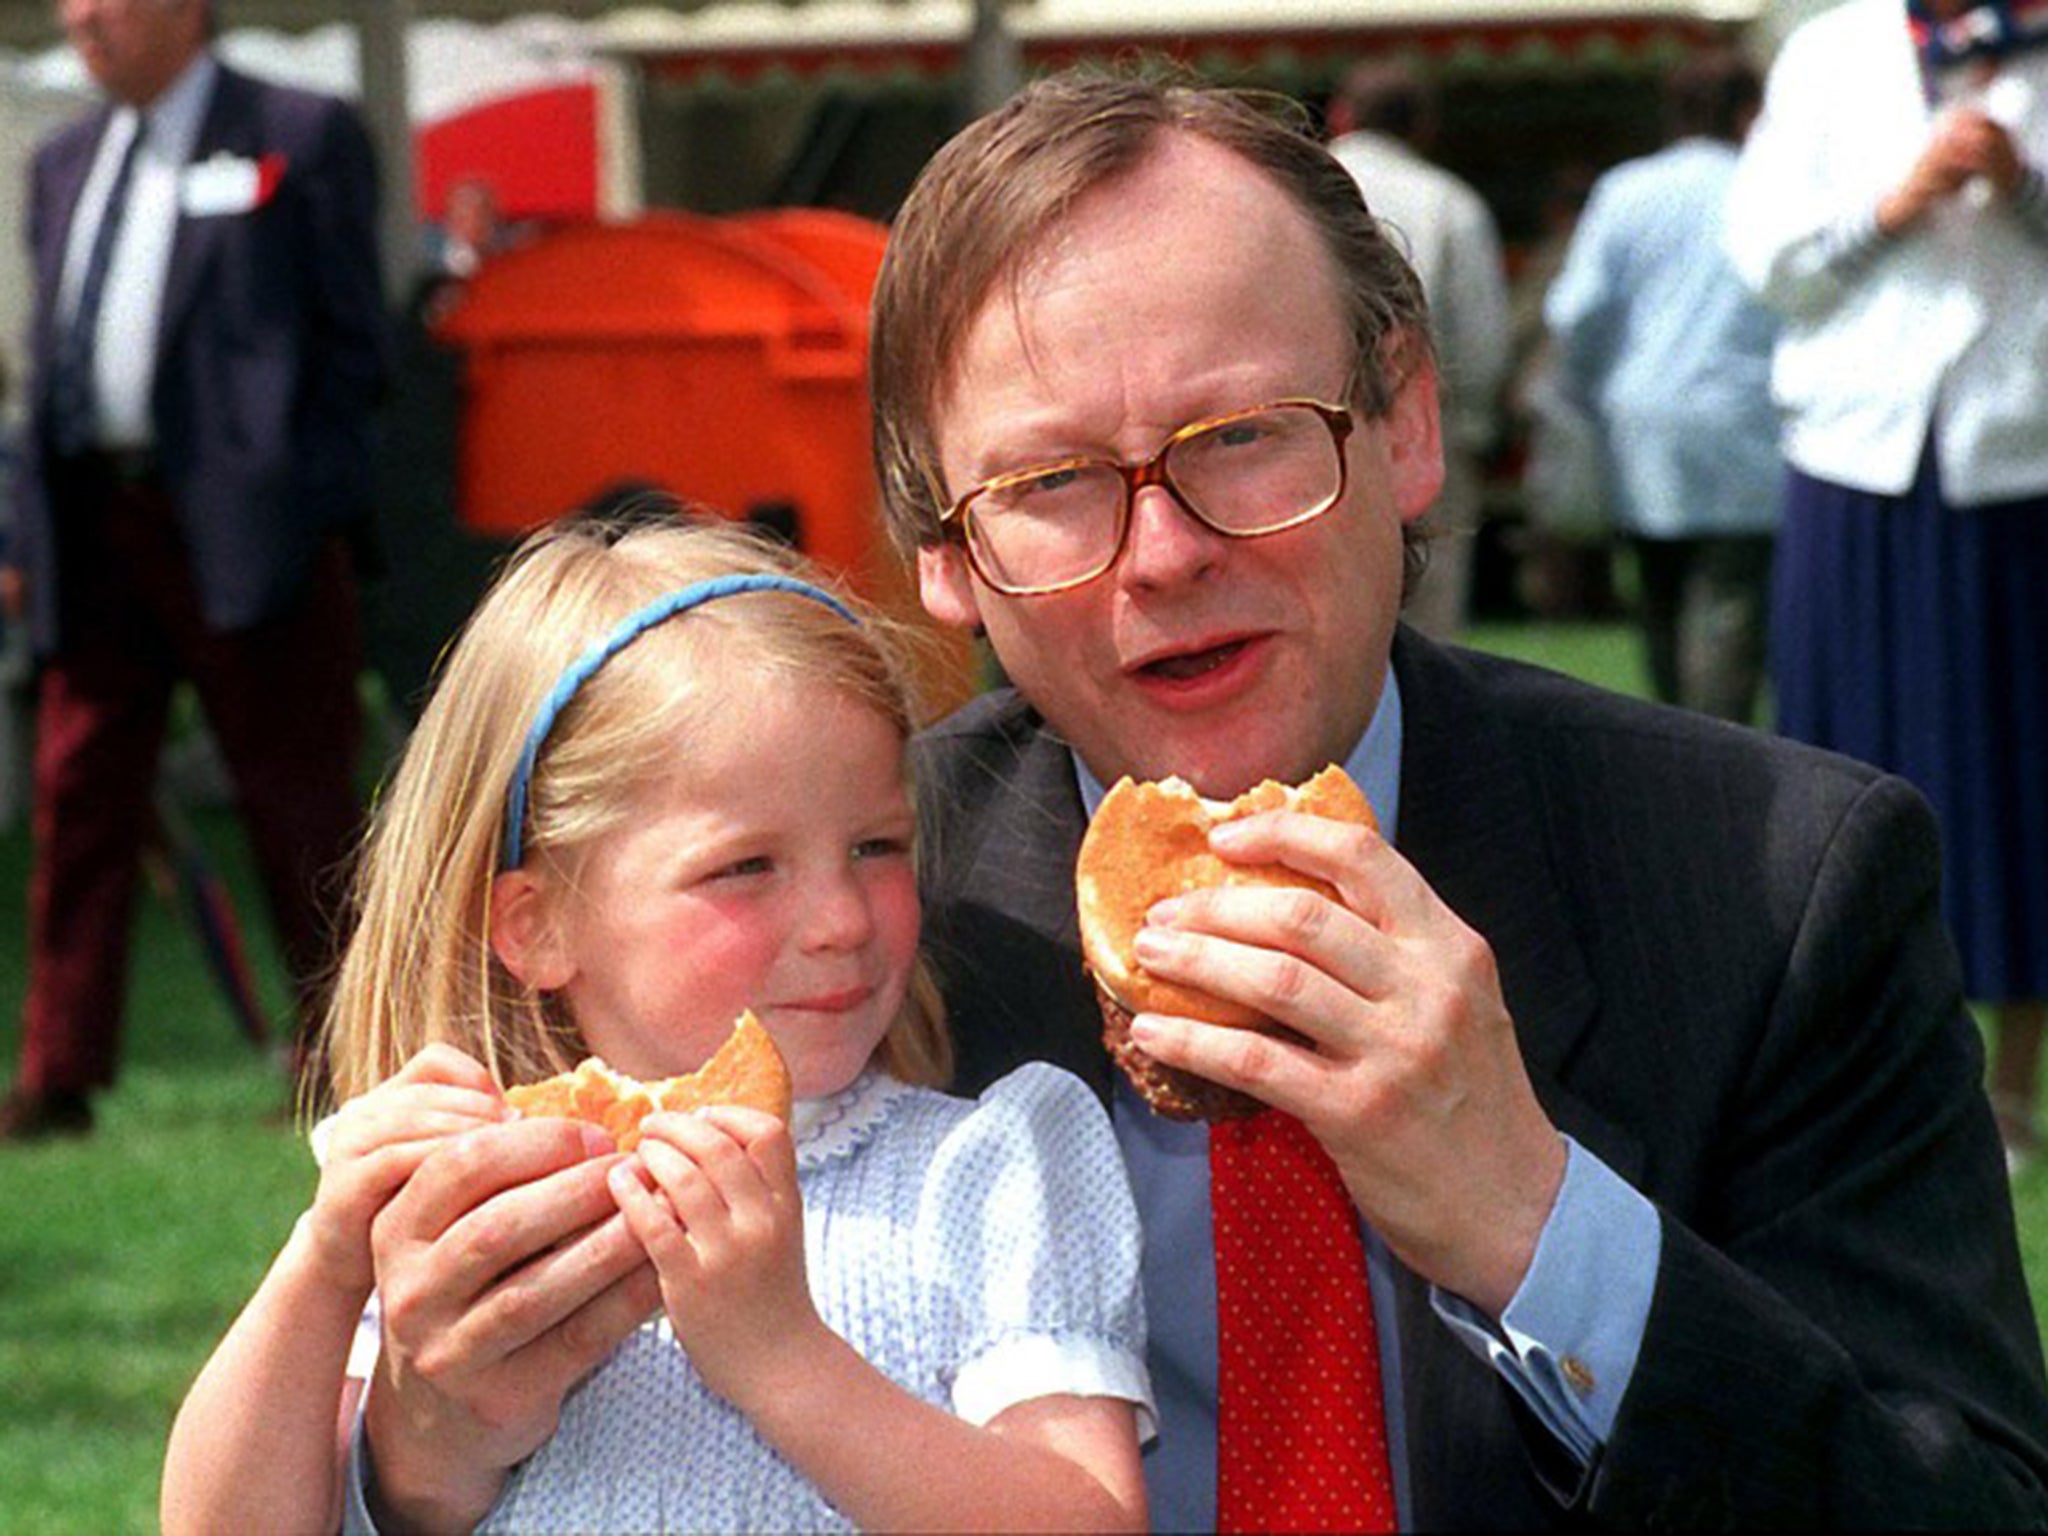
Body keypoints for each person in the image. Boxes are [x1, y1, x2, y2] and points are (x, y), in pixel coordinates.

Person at [866, 67, 2048, 1527]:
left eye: (1242, 434)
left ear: (1408, 424)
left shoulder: (1779, 891)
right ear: (940, 551)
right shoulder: (846, 916)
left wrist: (1538, 1226)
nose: (1162, 552)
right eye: (1049, 479)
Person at [159, 513, 1152, 1533]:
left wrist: (782, 1359)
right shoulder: (474, 1195)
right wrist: (325, 1266)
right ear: (538, 927)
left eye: (874, 846)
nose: (841, 920)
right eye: (744, 867)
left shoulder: (989, 1168)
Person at [1, 0, 388, 1139]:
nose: (80, 18)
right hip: (93, 527)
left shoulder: (298, 131)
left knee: (299, 803)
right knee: (78, 800)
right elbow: (44, 366)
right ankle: (57, 1074)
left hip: (247, 531)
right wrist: (23, 541)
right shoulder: (62, 159)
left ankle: (345, 1057)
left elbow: (353, 346)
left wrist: (298, 499)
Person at [1725, 0, 2048, 1169]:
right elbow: (1767, 263)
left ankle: (2011, 1090)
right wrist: (1892, 206)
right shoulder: (1828, 53)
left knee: (2021, 780)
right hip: (1853, 457)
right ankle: (1856, 1077)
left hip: (2019, 462)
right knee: (1840, 781)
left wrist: (2018, 186)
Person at [1545, 47, 1781, 723]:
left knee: (1657, 594)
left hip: (1639, 424)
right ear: (1746, 111)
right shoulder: (1766, 183)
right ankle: (1716, 754)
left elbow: (1577, 311)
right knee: (1730, 602)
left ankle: (1675, 736)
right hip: (1748, 422)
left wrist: (1584, 394)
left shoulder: (1626, 190)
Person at [1327, 58, 1509, 641]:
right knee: (1430, 613)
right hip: (1424, 422)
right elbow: (1481, 336)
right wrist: (1472, 426)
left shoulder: (1279, 190)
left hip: (1305, 432)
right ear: (1424, 126)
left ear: (1341, 114)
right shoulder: (1449, 201)